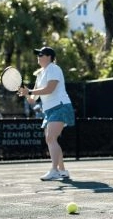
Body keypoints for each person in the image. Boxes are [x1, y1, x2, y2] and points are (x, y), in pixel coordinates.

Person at [18, 46, 75, 181]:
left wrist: (30, 91)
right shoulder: (39, 74)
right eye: (38, 54)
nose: (38, 56)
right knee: (51, 139)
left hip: (60, 106)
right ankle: (62, 171)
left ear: (49, 57)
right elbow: (33, 100)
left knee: (50, 138)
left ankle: (54, 170)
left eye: (41, 54)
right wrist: (25, 93)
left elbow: (50, 89)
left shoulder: (54, 68)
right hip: (49, 110)